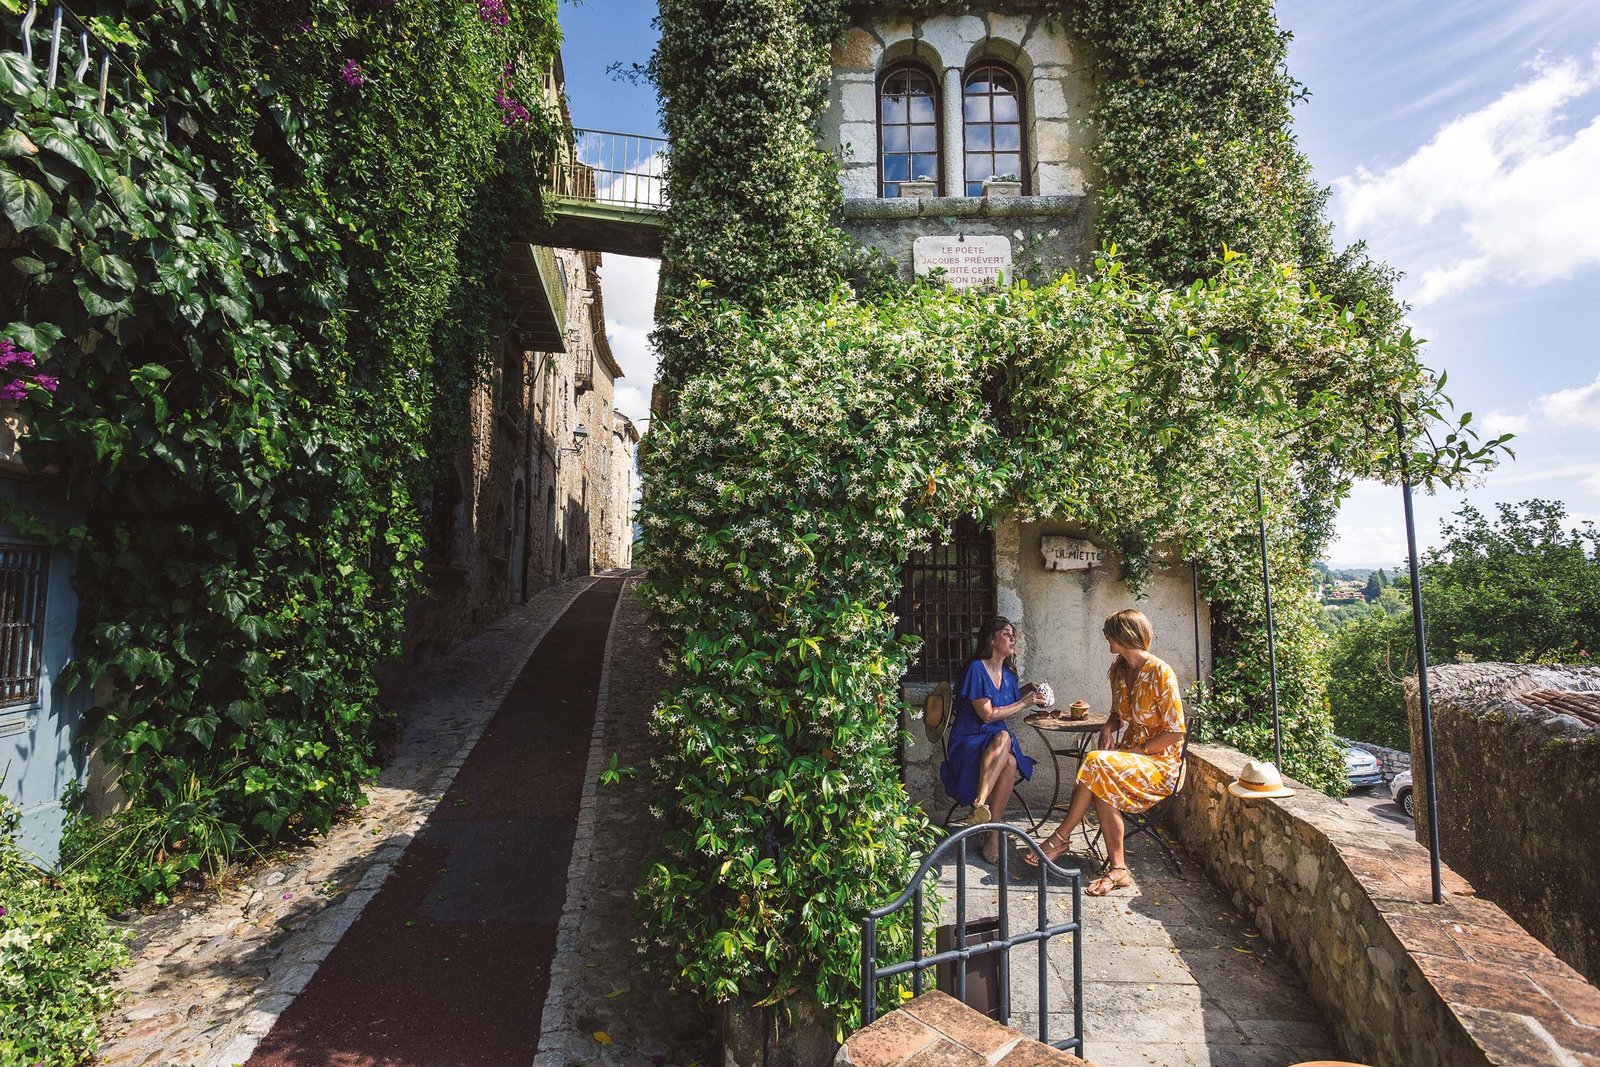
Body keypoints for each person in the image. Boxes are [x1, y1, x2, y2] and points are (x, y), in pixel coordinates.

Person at [1024, 609, 1185, 895]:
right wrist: (1108, 728)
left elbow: (1175, 732)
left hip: (1161, 764)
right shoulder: (1119, 671)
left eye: (1110, 633)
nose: (1106, 638)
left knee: (1096, 764)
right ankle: (1118, 869)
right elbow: (1117, 715)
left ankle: (1061, 837)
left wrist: (1138, 750)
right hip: (1128, 758)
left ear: (1125, 635)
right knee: (1099, 775)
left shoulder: (1160, 672)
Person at [941, 616, 1044, 863]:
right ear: (991, 639)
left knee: (1010, 761)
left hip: (995, 742)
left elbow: (1006, 700)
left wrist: (1028, 690)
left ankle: (989, 827)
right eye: (1006, 634)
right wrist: (1024, 703)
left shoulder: (1009, 675)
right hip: (969, 739)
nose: (1012, 639)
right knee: (1005, 737)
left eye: (1013, 635)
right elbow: (986, 715)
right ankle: (981, 805)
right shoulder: (976, 669)